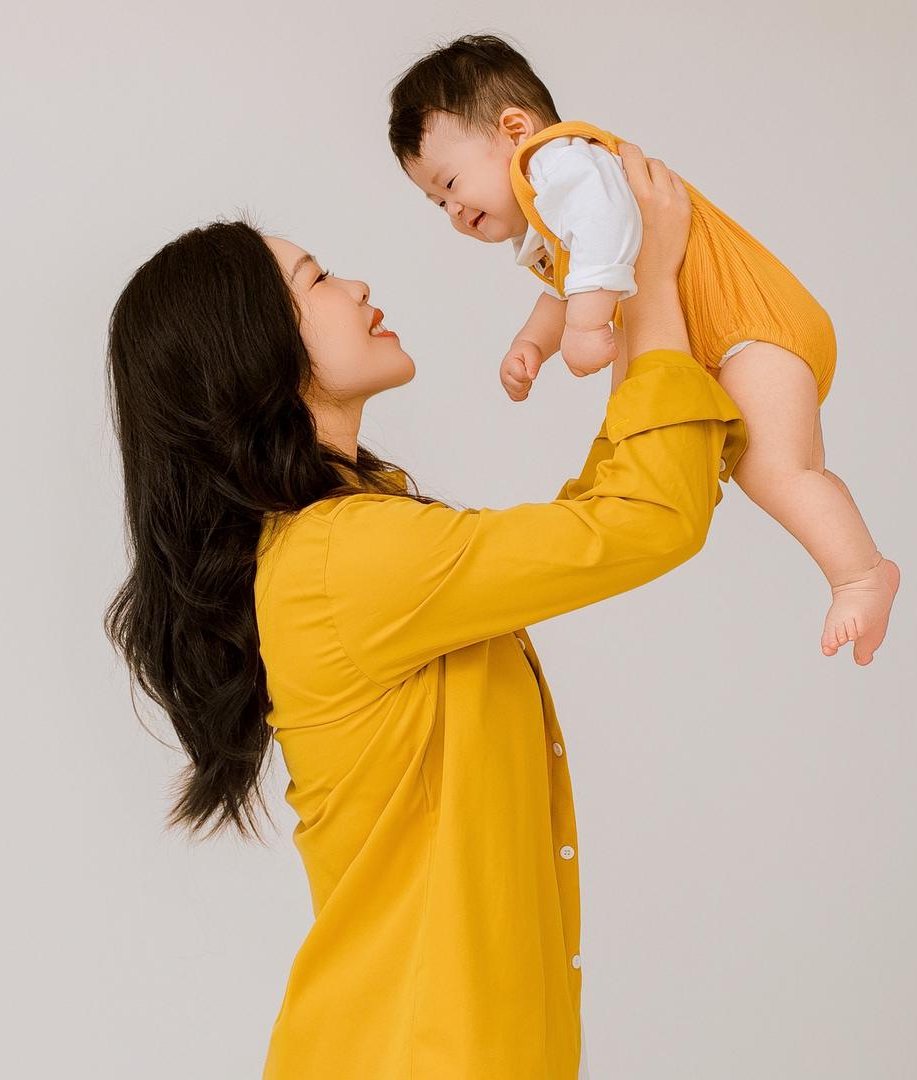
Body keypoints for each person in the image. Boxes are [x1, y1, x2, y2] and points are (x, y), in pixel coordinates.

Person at [104, 145, 745, 1079]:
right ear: (253, 352)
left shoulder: (348, 542)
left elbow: (595, 522)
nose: (355, 283)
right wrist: (646, 290)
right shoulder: (346, 558)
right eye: (315, 280)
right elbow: (644, 522)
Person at [389, 33, 900, 666]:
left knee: (774, 472)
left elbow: (608, 236)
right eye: (436, 202)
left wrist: (583, 327)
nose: (452, 210)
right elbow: (573, 278)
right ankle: (857, 568)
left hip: (749, 325)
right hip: (735, 340)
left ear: (515, 129)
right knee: (788, 470)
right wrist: (535, 342)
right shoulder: (556, 213)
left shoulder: (556, 160)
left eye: (451, 182)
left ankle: (860, 576)